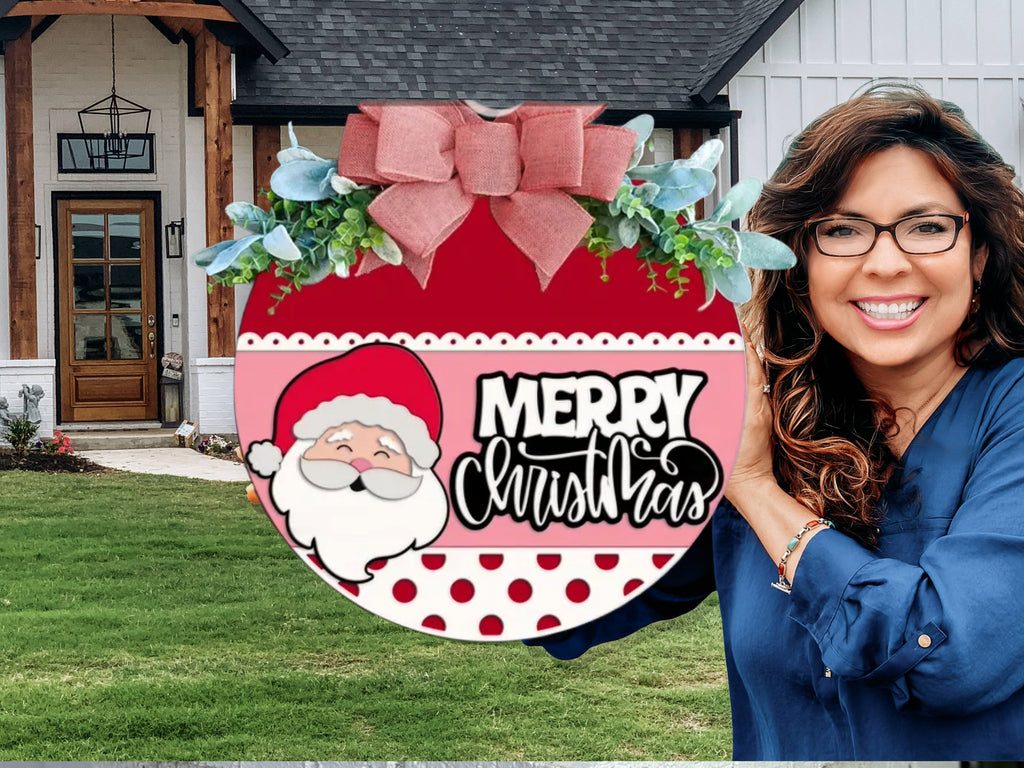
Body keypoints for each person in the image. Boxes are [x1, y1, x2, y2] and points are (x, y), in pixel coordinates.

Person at [528, 83, 1024, 759]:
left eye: (927, 227)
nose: (885, 262)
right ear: (800, 263)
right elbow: (568, 599)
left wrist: (757, 489)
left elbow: (952, 656)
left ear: (981, 253)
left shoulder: (1010, 413)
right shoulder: (767, 414)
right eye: (842, 230)